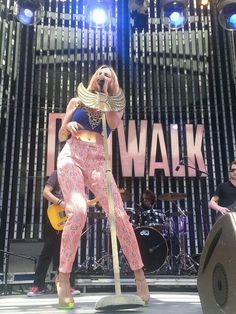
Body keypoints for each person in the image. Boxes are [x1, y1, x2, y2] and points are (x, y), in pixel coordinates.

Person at [56, 65, 150, 309]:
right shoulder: (76, 101)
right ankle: (63, 278)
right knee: (77, 212)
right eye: (100, 74)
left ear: (112, 82)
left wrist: (105, 95)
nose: (103, 77)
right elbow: (61, 135)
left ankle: (139, 274)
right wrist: (68, 127)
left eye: (108, 75)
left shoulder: (114, 105)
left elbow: (112, 124)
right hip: (72, 155)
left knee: (119, 215)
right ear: (94, 77)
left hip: (98, 159)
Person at [27, 170, 80, 297]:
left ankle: (68, 285)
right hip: (55, 217)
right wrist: (61, 203)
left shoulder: (77, 176)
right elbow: (46, 192)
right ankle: (37, 285)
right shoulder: (57, 174)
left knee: (69, 251)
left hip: (70, 218)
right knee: (48, 250)